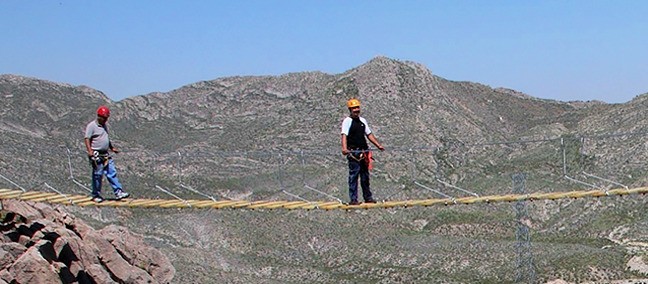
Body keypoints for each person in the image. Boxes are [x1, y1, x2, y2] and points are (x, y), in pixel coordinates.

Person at [340, 98, 385, 205]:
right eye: (354, 108)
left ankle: (368, 197)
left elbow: (369, 134)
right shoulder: (347, 121)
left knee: (365, 176)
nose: (356, 110)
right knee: (354, 176)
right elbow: (344, 135)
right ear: (350, 110)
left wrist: (378, 145)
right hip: (353, 152)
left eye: (357, 108)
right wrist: (344, 148)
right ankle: (353, 199)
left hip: (364, 151)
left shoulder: (362, 121)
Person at [84, 105, 130, 203]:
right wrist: (90, 151)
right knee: (98, 175)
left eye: (106, 118)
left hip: (105, 154)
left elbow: (106, 138)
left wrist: (111, 148)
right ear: (99, 116)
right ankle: (96, 194)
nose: (106, 120)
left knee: (111, 172)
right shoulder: (92, 126)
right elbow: (87, 138)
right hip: (96, 154)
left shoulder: (104, 126)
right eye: (104, 118)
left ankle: (118, 192)